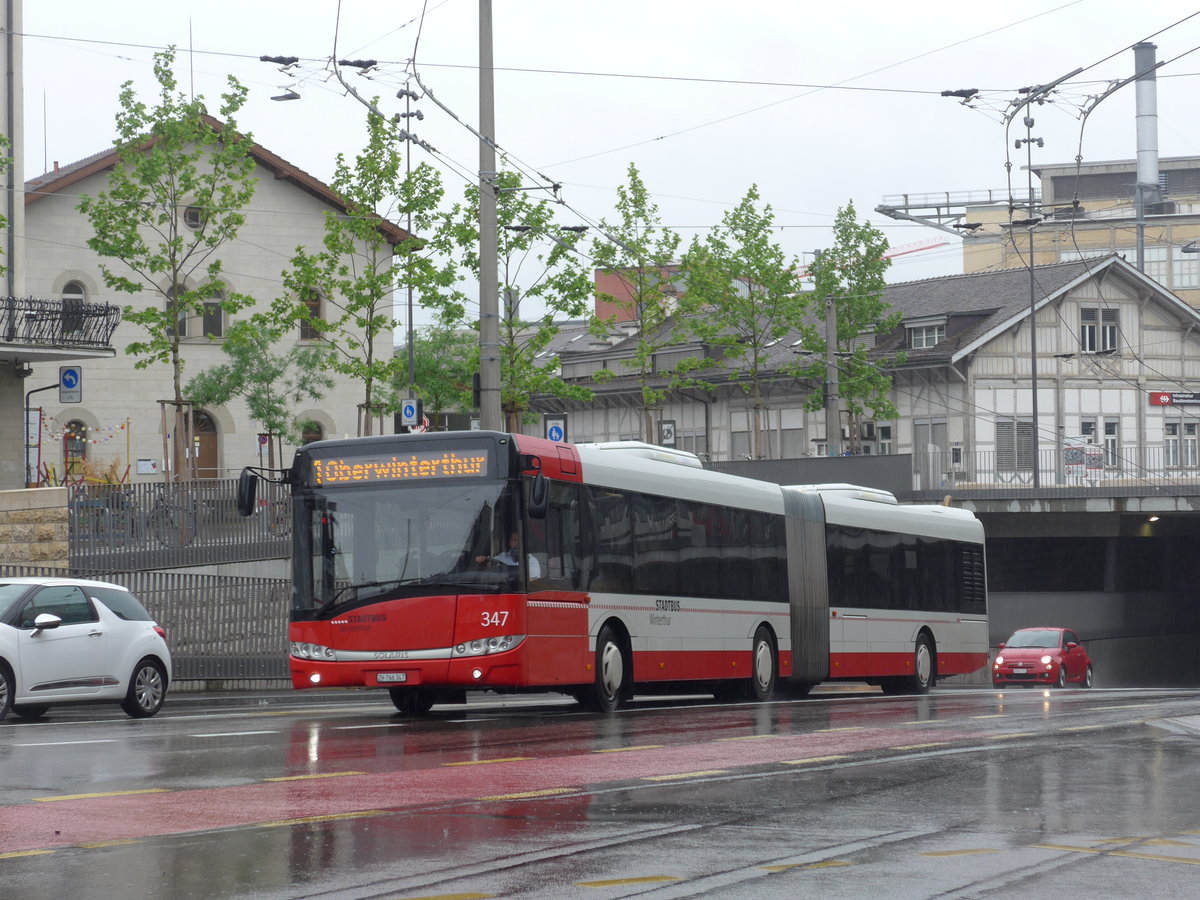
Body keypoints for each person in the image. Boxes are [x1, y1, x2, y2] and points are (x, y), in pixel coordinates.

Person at [477, 531, 541, 578]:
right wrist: (483, 559)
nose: (517, 543)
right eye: (514, 540)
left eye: (520, 541)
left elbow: (533, 580)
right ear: (510, 542)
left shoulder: (532, 561)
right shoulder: (502, 557)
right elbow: (490, 561)